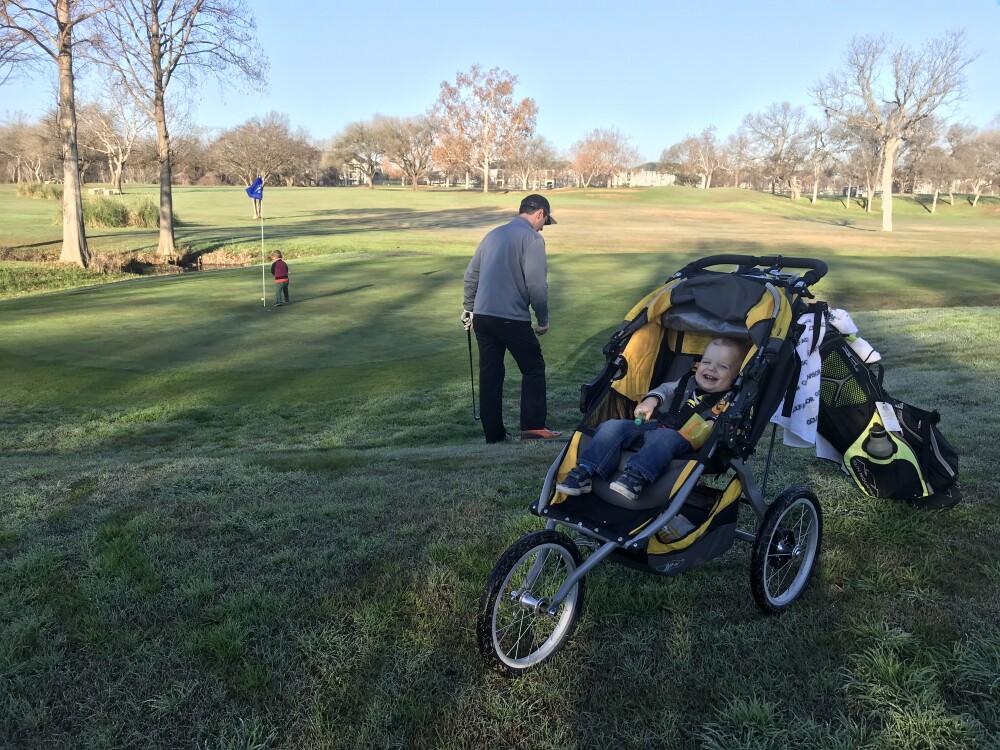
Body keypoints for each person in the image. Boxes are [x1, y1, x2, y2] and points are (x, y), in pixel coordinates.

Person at [556, 337, 748, 501]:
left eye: (722, 366)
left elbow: (722, 423)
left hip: (684, 438)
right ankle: (585, 471)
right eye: (706, 362)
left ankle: (636, 477)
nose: (711, 369)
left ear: (736, 376)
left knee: (663, 437)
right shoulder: (687, 380)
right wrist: (650, 401)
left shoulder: (729, 400)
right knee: (611, 427)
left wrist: (713, 424)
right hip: (654, 425)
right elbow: (664, 390)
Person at [463, 194, 561, 443]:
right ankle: (533, 427)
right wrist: (543, 318)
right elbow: (537, 284)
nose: (543, 228)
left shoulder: (493, 234)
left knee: (491, 373)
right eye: (545, 222)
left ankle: (494, 435)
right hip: (511, 317)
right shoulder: (532, 239)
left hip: (483, 317)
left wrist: (469, 309)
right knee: (533, 367)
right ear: (539, 213)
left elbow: (471, 276)